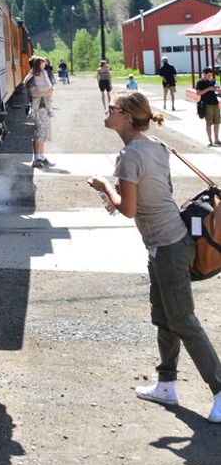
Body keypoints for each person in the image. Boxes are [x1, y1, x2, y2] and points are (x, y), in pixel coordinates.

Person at [88, 91, 221, 421]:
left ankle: (220, 389)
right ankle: (166, 385)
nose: (107, 111)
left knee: (183, 320)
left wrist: (106, 188)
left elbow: (129, 209)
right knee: (164, 317)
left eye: (112, 108)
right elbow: (162, 193)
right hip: (167, 243)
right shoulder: (157, 146)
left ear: (127, 117)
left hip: (168, 247)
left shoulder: (129, 155)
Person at [25, 55, 54, 169]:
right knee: (39, 133)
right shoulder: (31, 78)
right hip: (37, 108)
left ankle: (41, 157)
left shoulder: (39, 75)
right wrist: (47, 93)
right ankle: (36, 159)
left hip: (43, 107)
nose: (44, 65)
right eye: (42, 64)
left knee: (43, 133)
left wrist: (46, 92)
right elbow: (34, 94)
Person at [194, 69, 221, 147]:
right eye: (208, 75)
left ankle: (216, 139)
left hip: (215, 103)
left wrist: (218, 90)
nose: (210, 77)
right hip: (207, 104)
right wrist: (209, 89)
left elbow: (217, 90)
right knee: (209, 122)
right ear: (204, 74)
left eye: (211, 75)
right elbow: (198, 93)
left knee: (217, 122)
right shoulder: (200, 82)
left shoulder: (213, 81)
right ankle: (210, 140)